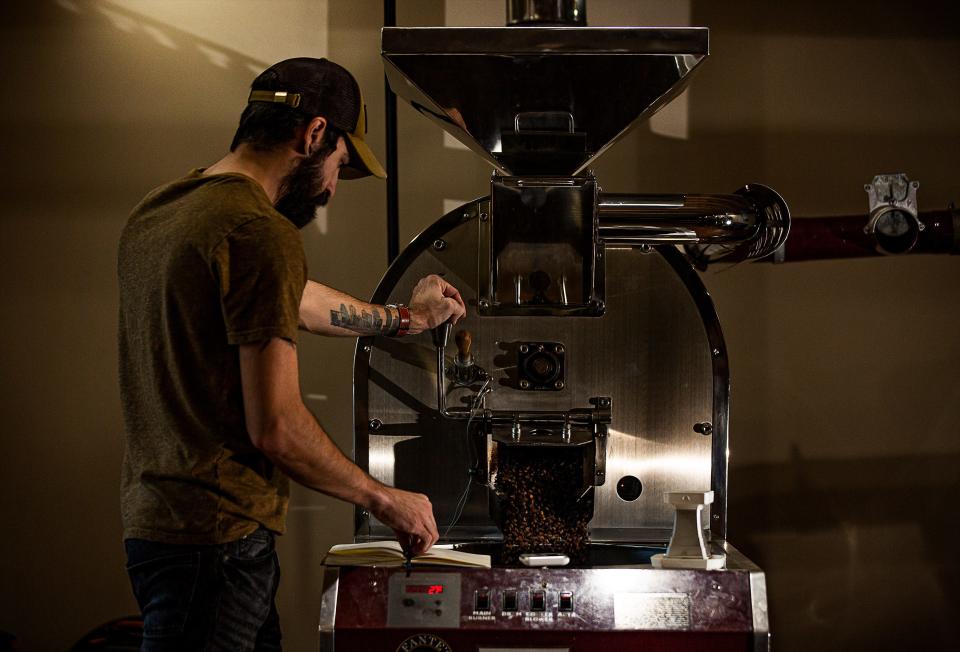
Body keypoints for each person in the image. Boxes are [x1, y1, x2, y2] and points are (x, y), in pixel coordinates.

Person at [117, 57, 466, 650]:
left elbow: (294, 301)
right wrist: (385, 498)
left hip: (160, 530)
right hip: (218, 544)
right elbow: (276, 427)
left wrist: (405, 319)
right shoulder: (260, 231)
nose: (330, 187)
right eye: (338, 163)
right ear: (313, 134)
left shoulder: (165, 211)